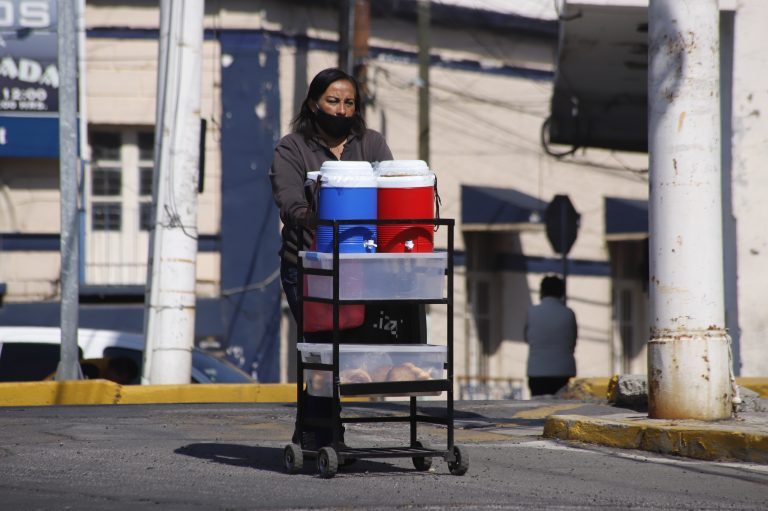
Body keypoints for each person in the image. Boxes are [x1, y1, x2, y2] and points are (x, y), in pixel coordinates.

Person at [269, 68, 395, 450]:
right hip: (309, 267)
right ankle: (329, 438)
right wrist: (316, 215)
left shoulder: (371, 144)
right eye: (333, 101)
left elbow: (390, 189)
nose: (341, 110)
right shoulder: (293, 147)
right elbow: (288, 199)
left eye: (349, 103)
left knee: (348, 353)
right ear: (313, 103)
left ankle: (309, 432)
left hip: (361, 268)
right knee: (321, 349)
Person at [524, 275, 577, 397]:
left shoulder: (532, 312)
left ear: (541, 291)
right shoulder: (569, 314)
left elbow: (526, 338)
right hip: (564, 371)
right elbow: (573, 342)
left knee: (537, 410)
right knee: (562, 410)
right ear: (562, 292)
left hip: (537, 371)